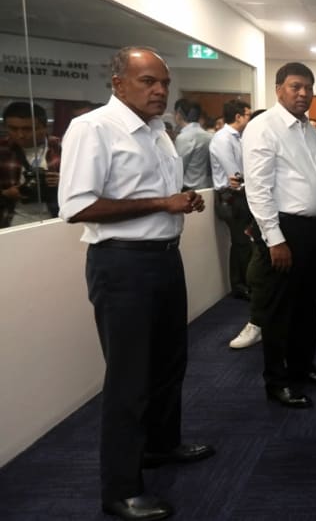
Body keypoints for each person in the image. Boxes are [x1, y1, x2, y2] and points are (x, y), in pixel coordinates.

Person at [58, 46, 214, 521]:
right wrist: (161, 204)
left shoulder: (160, 132)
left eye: (164, 82)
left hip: (164, 259)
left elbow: (157, 195)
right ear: (118, 83)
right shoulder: (93, 128)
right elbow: (77, 207)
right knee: (129, 380)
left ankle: (161, 446)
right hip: (122, 266)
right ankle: (121, 489)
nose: (160, 90)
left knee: (170, 363)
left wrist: (181, 202)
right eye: (148, 81)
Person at [242, 62, 316, 409]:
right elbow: (258, 188)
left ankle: (302, 367)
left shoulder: (308, 129)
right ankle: (277, 382)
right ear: (279, 88)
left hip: (311, 228)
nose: (303, 93)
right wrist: (274, 238)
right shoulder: (263, 127)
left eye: (308, 87)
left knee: (307, 306)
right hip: (283, 230)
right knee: (279, 310)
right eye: (296, 87)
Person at [210, 98, 262, 349]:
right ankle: (239, 286)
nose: (249, 119)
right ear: (238, 116)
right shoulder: (223, 138)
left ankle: (243, 284)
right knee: (240, 242)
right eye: (247, 115)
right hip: (231, 196)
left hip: (241, 194)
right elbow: (234, 173)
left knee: (244, 242)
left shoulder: (238, 138)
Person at [0, 101, 61, 228]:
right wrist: (6, 194)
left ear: (45, 127)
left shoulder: (61, 147)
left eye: (28, 129)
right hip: (11, 222)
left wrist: (63, 182)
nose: (20, 135)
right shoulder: (2, 150)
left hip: (57, 220)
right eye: (13, 129)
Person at [174, 99, 213, 190]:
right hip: (208, 187)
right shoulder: (209, 136)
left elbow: (178, 169)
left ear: (178, 115)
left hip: (189, 190)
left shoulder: (184, 137)